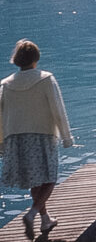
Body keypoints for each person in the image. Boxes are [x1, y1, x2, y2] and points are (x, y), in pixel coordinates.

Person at [0, 39, 74, 240]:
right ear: (36, 58)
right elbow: (57, 109)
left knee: (35, 180)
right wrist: (66, 137)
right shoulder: (45, 79)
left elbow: (0, 115)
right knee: (49, 178)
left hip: (16, 138)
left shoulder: (5, 84)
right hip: (42, 135)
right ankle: (33, 213)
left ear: (17, 60)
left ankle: (45, 219)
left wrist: (1, 142)